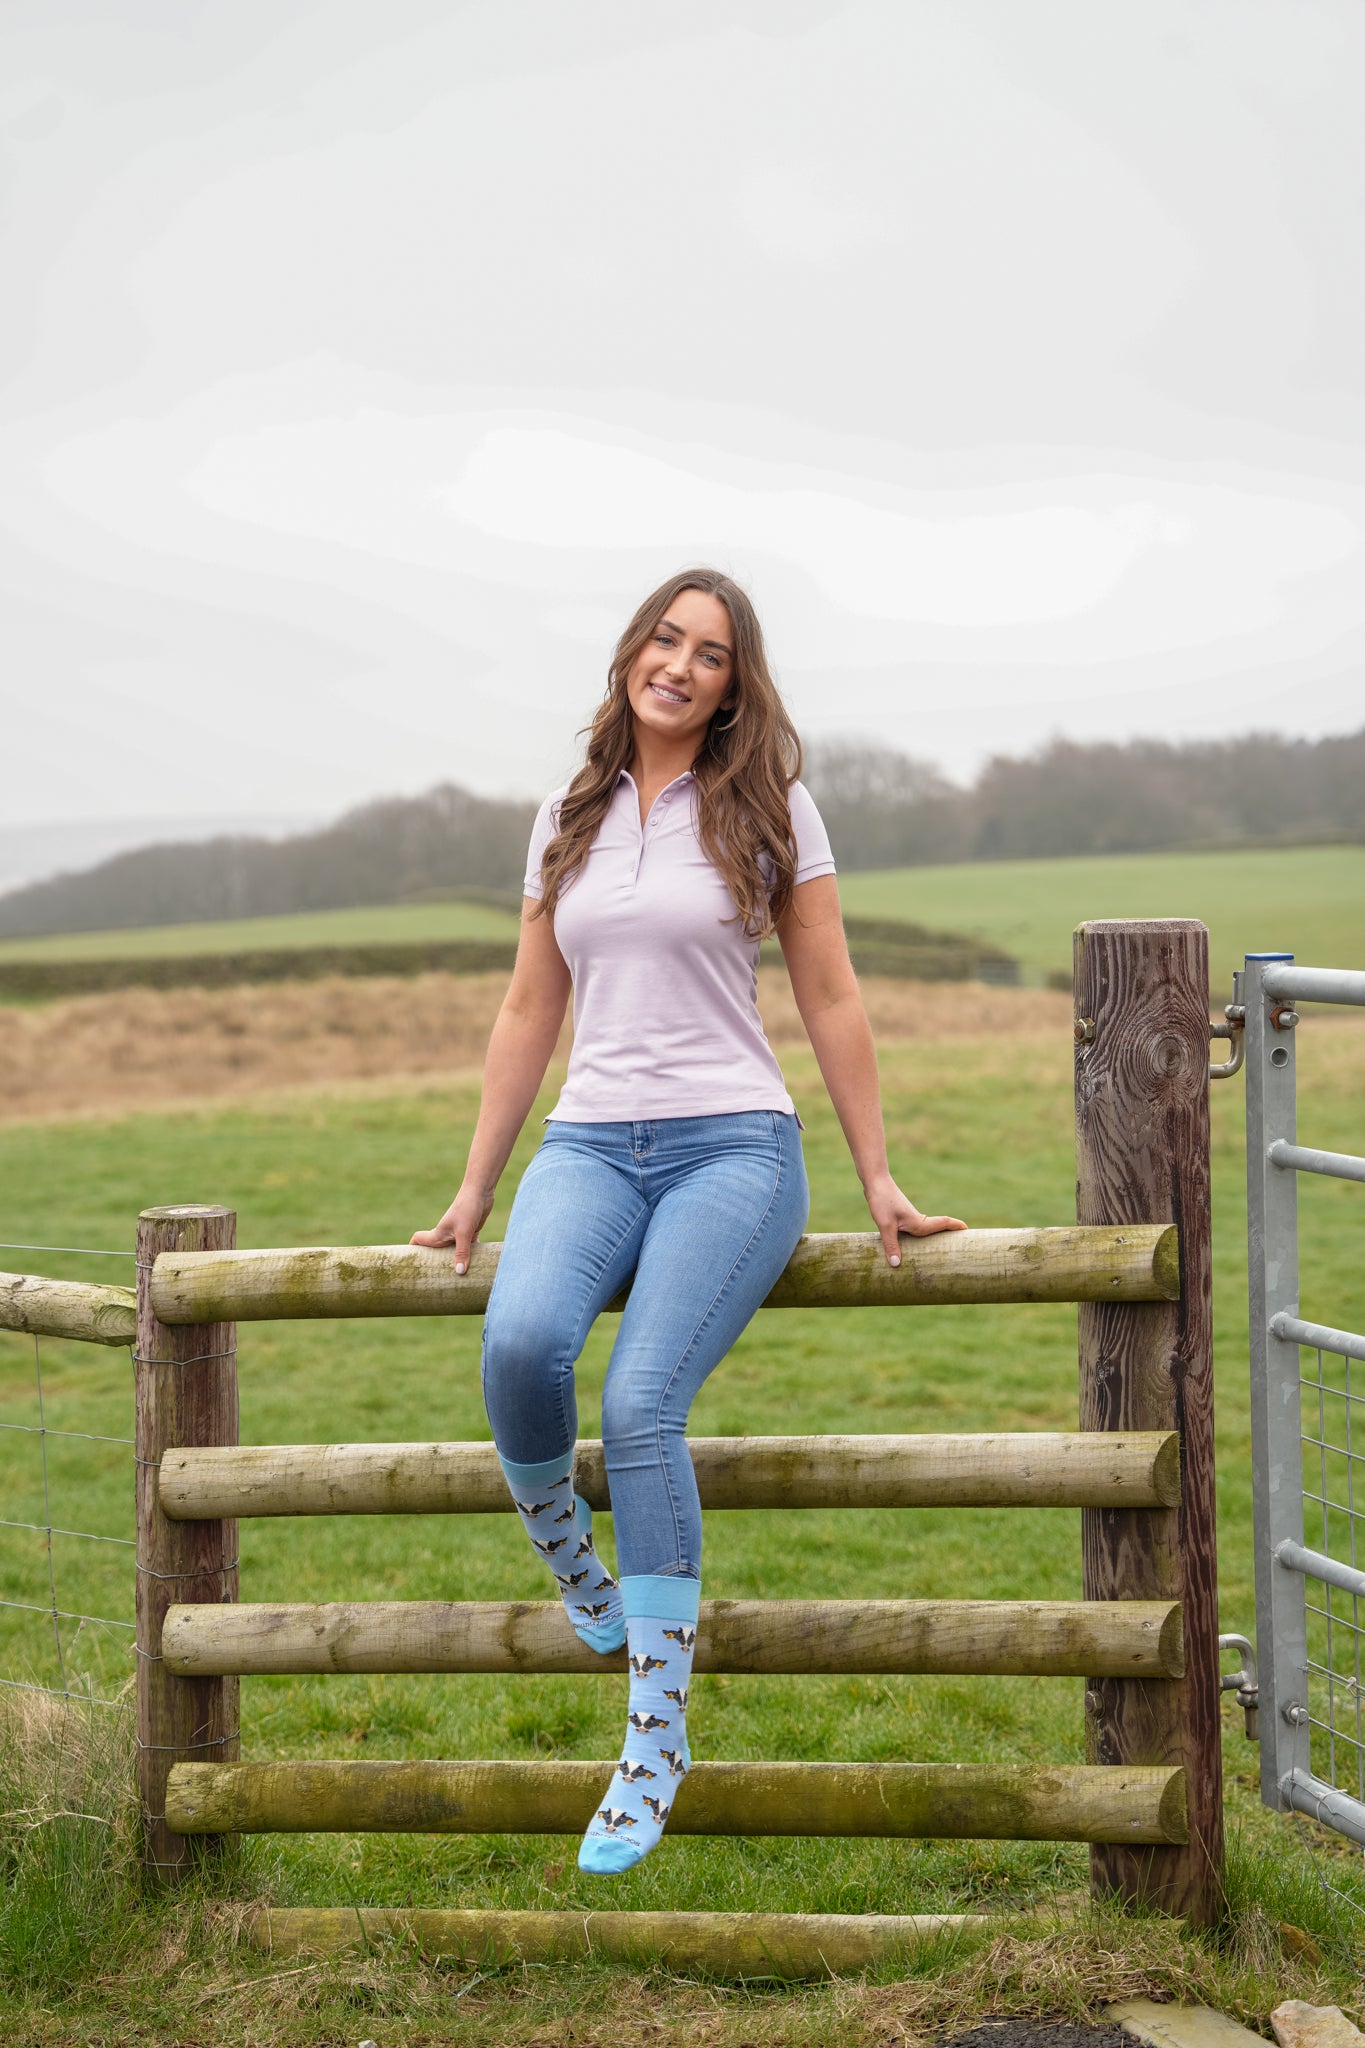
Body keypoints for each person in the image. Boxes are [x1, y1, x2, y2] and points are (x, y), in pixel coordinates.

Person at [412, 566, 965, 1875]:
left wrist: (876, 1171)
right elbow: (526, 1011)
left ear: (732, 687)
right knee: (517, 1347)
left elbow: (829, 995)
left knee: (639, 1405)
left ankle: (653, 1737)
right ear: (630, 653)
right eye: (664, 637)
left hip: (734, 1148)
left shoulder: (771, 805)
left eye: (709, 653)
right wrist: (476, 1185)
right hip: (588, 1146)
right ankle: (573, 1564)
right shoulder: (566, 811)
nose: (678, 663)